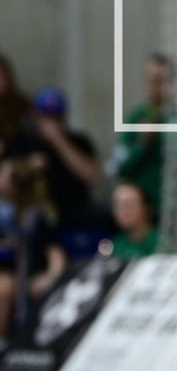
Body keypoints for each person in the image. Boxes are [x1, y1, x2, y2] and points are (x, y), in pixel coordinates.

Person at [109, 53, 177, 218]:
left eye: (159, 79)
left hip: (176, 209)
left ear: (171, 82)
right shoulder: (136, 118)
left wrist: (160, 137)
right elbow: (116, 167)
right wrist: (142, 145)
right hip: (142, 213)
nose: (153, 86)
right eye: (149, 79)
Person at [3, 87, 101, 231]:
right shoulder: (20, 142)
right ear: (34, 115)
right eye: (44, 115)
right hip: (28, 207)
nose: (49, 122)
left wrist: (60, 141)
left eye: (55, 116)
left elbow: (92, 176)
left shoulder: (79, 142)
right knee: (39, 220)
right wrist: (27, 167)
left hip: (71, 207)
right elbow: (3, 183)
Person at [0, 157, 66, 343]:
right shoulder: (4, 212)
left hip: (26, 279)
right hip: (8, 272)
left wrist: (48, 279)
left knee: (4, 287)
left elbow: (57, 259)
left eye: (2, 176)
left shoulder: (39, 218)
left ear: (13, 187)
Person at [106, 181, 159, 259]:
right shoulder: (115, 245)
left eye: (129, 204)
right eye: (118, 205)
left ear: (146, 208)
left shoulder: (160, 243)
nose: (124, 211)